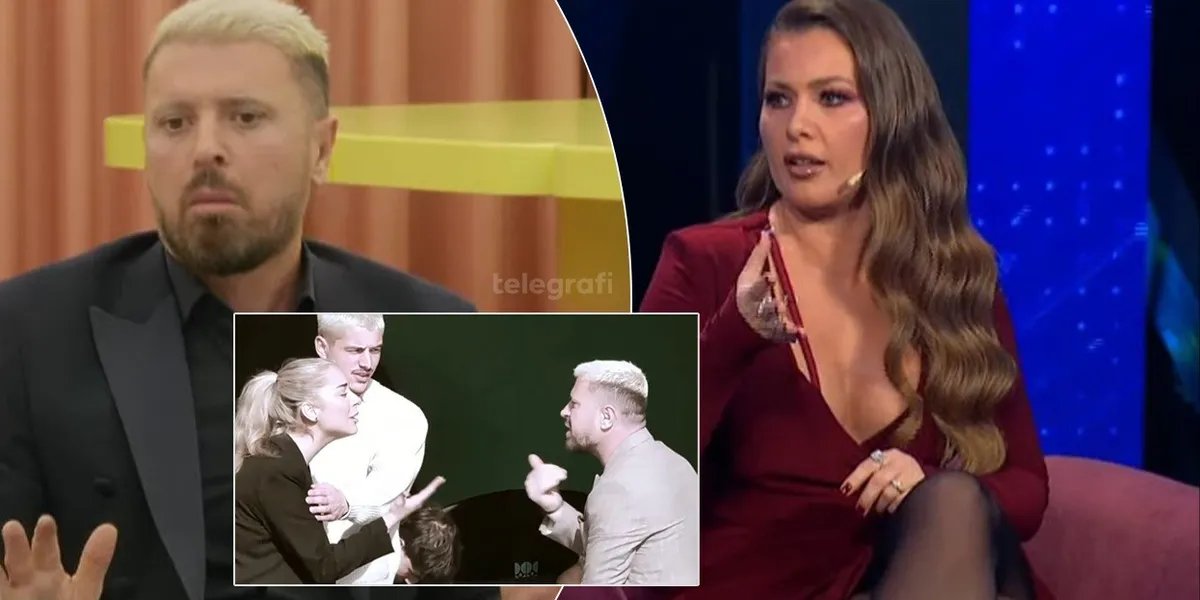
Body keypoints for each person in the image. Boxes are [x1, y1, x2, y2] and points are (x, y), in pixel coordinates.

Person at [0, 0, 506, 598]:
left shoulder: (431, 323)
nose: (205, 149)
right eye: (174, 122)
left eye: (245, 117)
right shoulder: (29, 331)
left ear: (321, 149)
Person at [626, 0, 1053, 598]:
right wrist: (730, 340)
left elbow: (1028, 486)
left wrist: (923, 481)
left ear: (891, 117)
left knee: (955, 502)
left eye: (831, 98)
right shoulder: (704, 263)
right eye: (778, 99)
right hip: (749, 586)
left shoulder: (952, 275)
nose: (797, 125)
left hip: (908, 574)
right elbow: (626, 484)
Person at [233, 358, 449, 584]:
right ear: (310, 411)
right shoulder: (277, 471)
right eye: (342, 393)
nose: (355, 401)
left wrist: (394, 513)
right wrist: (393, 517)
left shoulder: (283, 463)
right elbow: (325, 567)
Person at [524, 360, 699, 586]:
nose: (564, 411)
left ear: (606, 417)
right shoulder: (675, 463)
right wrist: (555, 508)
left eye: (574, 404)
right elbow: (612, 542)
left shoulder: (619, 489)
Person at [303, 314, 431, 585]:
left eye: (375, 350)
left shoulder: (404, 416)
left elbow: (388, 492)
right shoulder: (287, 398)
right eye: (355, 350)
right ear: (322, 347)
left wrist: (346, 503)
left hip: (361, 579)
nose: (367, 363)